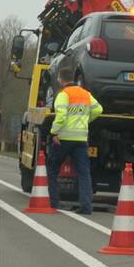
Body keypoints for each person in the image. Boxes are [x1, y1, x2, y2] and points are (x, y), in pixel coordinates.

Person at [46, 68, 103, 214]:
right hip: (81, 139)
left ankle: (54, 203)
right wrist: (85, 120)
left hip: (64, 139)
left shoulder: (63, 95)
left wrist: (54, 132)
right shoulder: (86, 94)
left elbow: (61, 116)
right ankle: (86, 206)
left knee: (52, 169)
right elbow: (98, 110)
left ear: (60, 79)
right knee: (84, 173)